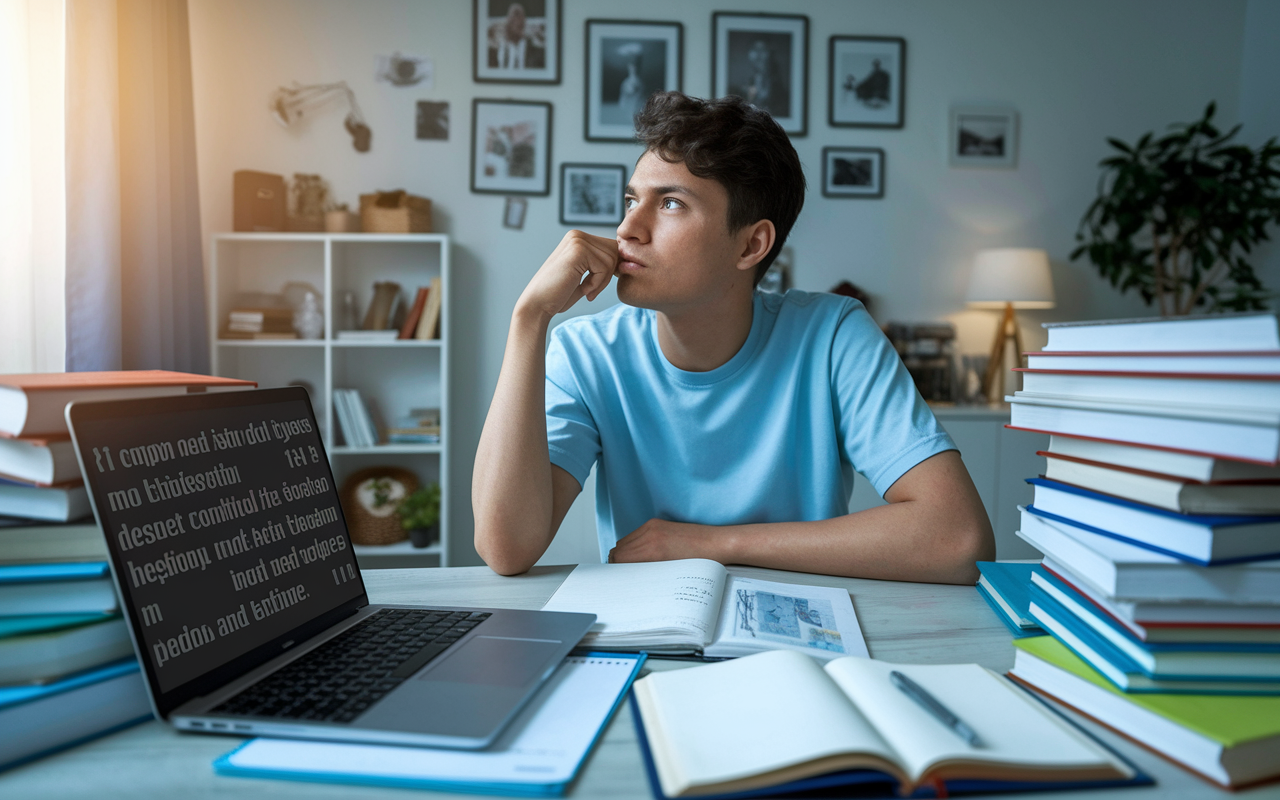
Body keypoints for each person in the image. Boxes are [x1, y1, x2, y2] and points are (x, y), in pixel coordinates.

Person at [473, 91, 994, 583]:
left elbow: (958, 538)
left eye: (671, 203)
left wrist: (712, 544)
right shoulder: (585, 354)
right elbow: (506, 549)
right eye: (631, 199)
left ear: (751, 245)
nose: (628, 228)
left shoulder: (833, 335)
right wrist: (529, 320)